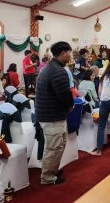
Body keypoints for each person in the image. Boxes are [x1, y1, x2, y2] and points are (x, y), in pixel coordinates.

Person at [35, 41, 74, 185]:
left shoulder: (50, 67)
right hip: (51, 116)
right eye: (69, 53)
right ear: (63, 53)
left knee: (59, 145)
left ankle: (52, 170)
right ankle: (47, 177)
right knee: (53, 148)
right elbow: (64, 93)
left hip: (51, 114)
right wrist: (70, 105)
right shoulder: (57, 70)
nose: (70, 57)